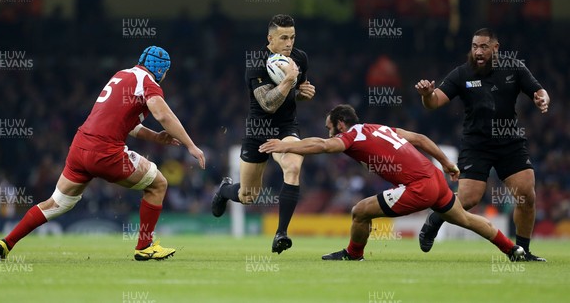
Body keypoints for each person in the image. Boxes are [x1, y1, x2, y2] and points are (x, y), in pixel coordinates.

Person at [0, 46, 206, 261]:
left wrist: (156, 137)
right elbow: (164, 115)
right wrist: (191, 145)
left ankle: (6, 242)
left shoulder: (121, 75)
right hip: (105, 152)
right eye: (166, 71)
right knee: (158, 183)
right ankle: (144, 246)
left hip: (80, 147)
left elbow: (125, 124)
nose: (166, 76)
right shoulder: (148, 83)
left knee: (57, 203)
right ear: (160, 70)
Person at [259, 104, 526, 261]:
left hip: (419, 187)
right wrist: (445, 163)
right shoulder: (380, 128)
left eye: (330, 127)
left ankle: (353, 254)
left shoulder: (351, 136)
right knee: (465, 219)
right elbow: (419, 138)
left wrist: (286, 145)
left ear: (340, 124)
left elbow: (323, 145)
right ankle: (512, 249)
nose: (328, 132)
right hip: (434, 179)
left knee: (360, 211)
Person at [415, 28, 549, 261]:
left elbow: (539, 90)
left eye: (483, 47)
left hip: (510, 141)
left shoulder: (514, 68)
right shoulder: (462, 74)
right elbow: (434, 102)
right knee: (468, 199)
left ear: (495, 48)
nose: (478, 51)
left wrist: (542, 97)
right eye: (475, 46)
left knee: (526, 195)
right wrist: (427, 94)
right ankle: (435, 219)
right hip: (476, 144)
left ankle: (522, 252)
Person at [211, 14, 316, 254]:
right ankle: (224, 190)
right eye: (283, 38)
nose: (289, 43)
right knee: (248, 196)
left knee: (292, 166)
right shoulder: (257, 61)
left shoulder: (300, 58)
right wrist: (290, 81)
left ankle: (281, 233)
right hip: (258, 131)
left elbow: (296, 93)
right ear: (270, 38)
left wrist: (304, 92)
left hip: (286, 128)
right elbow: (267, 103)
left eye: (292, 37)